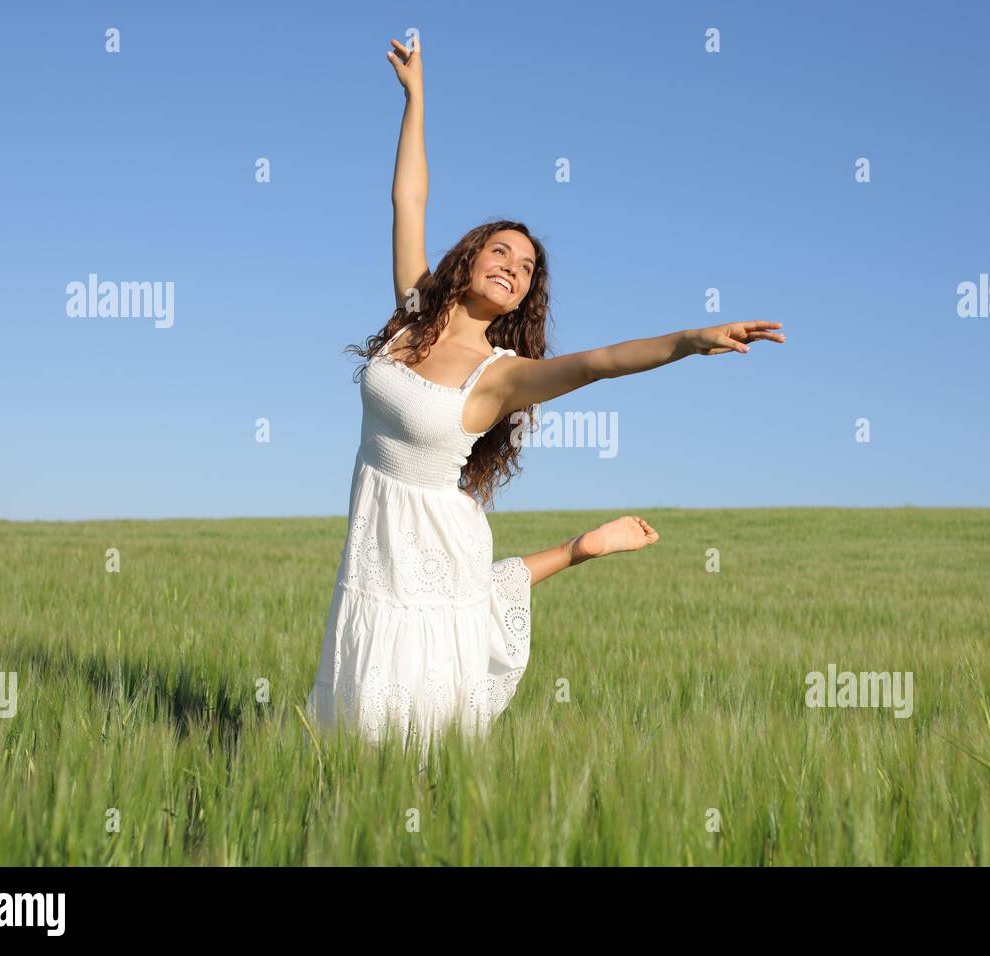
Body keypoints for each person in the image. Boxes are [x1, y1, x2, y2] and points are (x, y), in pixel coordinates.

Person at [303, 33, 784, 753]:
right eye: (500, 250)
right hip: (376, 554)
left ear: (524, 296)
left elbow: (600, 362)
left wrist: (690, 340)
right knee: (353, 726)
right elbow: (408, 198)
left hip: (434, 555)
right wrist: (417, 98)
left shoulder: (498, 375)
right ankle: (583, 547)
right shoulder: (410, 318)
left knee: (412, 728)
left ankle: (580, 549)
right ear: (467, 259)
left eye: (526, 268)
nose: (512, 267)